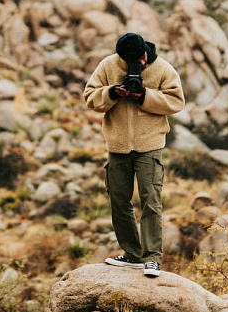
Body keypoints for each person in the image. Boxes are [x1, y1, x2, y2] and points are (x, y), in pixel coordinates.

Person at [83, 33, 184, 277]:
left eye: (140, 60)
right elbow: (90, 97)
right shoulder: (108, 66)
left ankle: (152, 259)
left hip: (149, 146)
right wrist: (112, 93)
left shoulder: (162, 68)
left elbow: (176, 101)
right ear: (121, 57)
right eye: (131, 62)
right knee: (119, 201)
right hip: (117, 147)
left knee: (151, 200)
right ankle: (132, 254)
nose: (137, 65)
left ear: (145, 53)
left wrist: (144, 96)